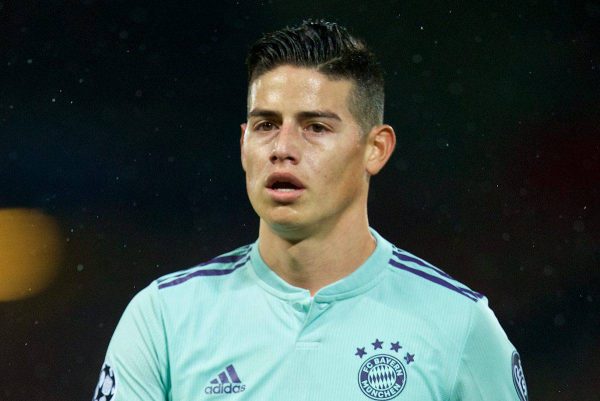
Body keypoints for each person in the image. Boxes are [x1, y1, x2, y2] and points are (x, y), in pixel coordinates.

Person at [93, 20, 528, 401]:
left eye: (315, 127)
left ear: (375, 149)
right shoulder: (164, 318)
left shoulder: (459, 324)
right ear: (243, 143)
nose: (282, 149)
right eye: (266, 126)